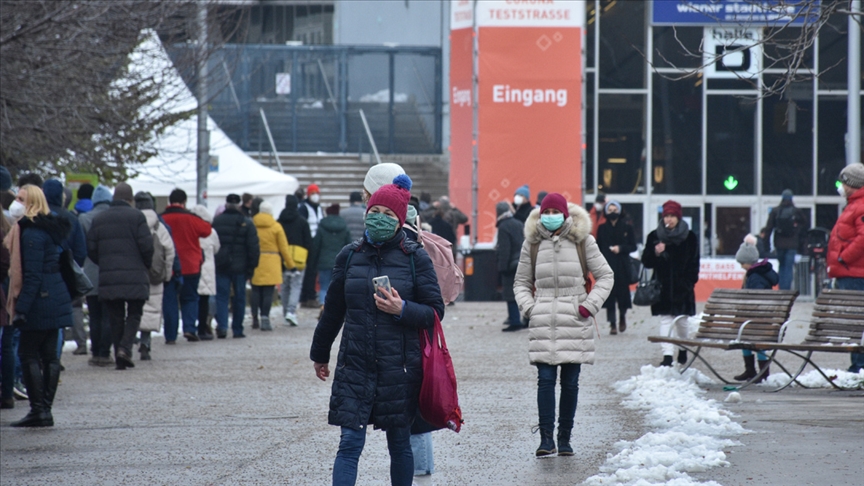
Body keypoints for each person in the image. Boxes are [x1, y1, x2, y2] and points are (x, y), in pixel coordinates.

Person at [310, 174, 444, 486]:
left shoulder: (415, 258)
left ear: (400, 221)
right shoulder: (350, 255)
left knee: (399, 444)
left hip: (399, 368)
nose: (379, 219)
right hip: (354, 365)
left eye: (388, 215)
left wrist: (403, 310)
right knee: (349, 445)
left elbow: (435, 311)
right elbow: (332, 311)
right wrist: (320, 353)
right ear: (366, 213)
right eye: (374, 212)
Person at [513, 193, 613, 457]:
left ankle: (565, 438)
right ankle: (546, 440)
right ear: (539, 215)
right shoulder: (532, 243)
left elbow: (606, 276)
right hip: (543, 318)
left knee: (570, 383)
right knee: (545, 380)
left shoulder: (583, 241)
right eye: (545, 213)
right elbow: (521, 283)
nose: (550, 217)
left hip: (574, 319)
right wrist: (530, 308)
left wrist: (589, 306)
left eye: (554, 213)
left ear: (565, 214)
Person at [5, 184, 73, 426]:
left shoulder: (31, 233)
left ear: (32, 202)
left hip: (41, 300)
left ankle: (39, 409)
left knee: (27, 353)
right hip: (55, 296)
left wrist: (22, 307)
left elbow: (32, 275)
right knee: (49, 356)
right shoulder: (50, 229)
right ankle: (44, 409)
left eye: (22, 199)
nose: (17, 202)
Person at [87, 183, 153, 370]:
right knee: (134, 313)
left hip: (109, 275)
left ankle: (119, 353)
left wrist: (105, 263)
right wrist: (144, 265)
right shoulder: (137, 216)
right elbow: (147, 246)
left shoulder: (100, 218)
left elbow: (91, 248)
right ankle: (125, 349)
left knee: (115, 316)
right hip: (135, 274)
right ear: (130, 199)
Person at [641, 200, 700, 367]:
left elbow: (694, 263)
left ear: (678, 217)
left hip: (683, 287)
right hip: (663, 287)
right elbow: (646, 262)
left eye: (673, 215)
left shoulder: (689, 237)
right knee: (665, 319)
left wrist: (689, 283)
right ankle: (667, 355)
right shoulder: (655, 236)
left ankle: (682, 348)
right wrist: (655, 252)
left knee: (682, 321)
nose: (669, 219)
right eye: (667, 215)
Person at [160, 189, 213, 343]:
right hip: (191, 265)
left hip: (169, 266)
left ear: (170, 201)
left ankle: (170, 335)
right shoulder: (191, 218)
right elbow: (206, 230)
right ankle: (189, 328)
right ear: (184, 202)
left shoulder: (162, 218)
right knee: (190, 298)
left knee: (169, 301)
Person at [827, 163, 864, 373]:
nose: (840, 186)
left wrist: (843, 258)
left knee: (857, 320)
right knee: (855, 321)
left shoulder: (860, 205)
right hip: (850, 273)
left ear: (851, 184)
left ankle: (859, 366)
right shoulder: (854, 204)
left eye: (843, 181)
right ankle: (858, 365)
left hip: (855, 273)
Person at [43, 179, 87, 357]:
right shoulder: (71, 219)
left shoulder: (37, 217)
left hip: (42, 273)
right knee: (62, 315)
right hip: (64, 274)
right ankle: (55, 357)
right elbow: (81, 251)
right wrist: (72, 268)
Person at [133, 192, 175, 361]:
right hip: (154, 273)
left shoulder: (132, 221)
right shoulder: (159, 225)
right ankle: (145, 342)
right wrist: (167, 273)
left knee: (132, 308)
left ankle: (127, 342)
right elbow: (169, 251)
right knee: (150, 308)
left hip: (133, 272)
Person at [212, 194, 259, 338]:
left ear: (225, 205)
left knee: (222, 297)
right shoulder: (246, 222)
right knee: (239, 298)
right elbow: (253, 247)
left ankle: (222, 326)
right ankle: (237, 329)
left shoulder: (217, 222)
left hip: (221, 265)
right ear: (239, 205)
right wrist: (251, 267)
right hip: (240, 266)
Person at [733, 235, 778, 382]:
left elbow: (757, 299)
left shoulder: (756, 277)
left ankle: (762, 373)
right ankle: (751, 370)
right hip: (755, 318)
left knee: (756, 342)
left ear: (749, 262)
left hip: (759, 319)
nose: (741, 266)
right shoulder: (755, 273)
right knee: (744, 337)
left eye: (742, 263)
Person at [78, 185, 113, 366]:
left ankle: (95, 351)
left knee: (94, 315)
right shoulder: (113, 218)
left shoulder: (84, 218)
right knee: (108, 314)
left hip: (91, 272)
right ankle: (105, 352)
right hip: (110, 272)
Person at [251, 201, 294, 331]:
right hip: (271, 261)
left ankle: (254, 318)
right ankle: (265, 318)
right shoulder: (276, 226)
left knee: (255, 291)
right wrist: (291, 265)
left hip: (255, 260)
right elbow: (284, 248)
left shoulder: (252, 224)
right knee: (268, 292)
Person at [596, 200, 637, 335]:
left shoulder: (626, 227)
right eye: (610, 210)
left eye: (615, 210)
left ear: (619, 211)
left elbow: (633, 246)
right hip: (607, 266)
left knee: (623, 295)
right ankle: (612, 323)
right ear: (606, 212)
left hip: (622, 266)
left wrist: (620, 248)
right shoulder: (602, 228)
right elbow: (598, 247)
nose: (612, 212)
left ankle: (622, 317)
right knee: (610, 295)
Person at [309, 204, 352, 310]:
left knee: (323, 286)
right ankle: (334, 307)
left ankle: (323, 307)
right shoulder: (344, 227)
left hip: (323, 262)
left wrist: (313, 262)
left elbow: (316, 246)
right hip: (339, 263)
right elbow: (349, 245)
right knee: (337, 287)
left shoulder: (321, 227)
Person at [277, 194, 311, 327]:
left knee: (285, 286)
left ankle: (286, 312)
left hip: (282, 258)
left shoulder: (279, 221)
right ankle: (291, 311)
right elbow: (308, 241)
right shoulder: (302, 221)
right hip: (298, 258)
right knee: (296, 285)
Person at [764, 189, 806, 290]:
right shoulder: (796, 212)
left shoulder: (775, 211)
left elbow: (768, 228)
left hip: (779, 244)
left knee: (782, 267)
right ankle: (786, 290)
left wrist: (766, 246)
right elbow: (804, 225)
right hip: (792, 244)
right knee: (789, 268)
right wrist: (797, 232)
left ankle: (781, 289)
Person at [190, 205, 220, 341]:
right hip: (208, 267)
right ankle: (203, 328)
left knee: (192, 299)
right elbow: (217, 248)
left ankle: (190, 327)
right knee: (204, 301)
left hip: (193, 265)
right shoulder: (211, 232)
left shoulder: (190, 229)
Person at [497, 201, 526, 332]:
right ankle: (527, 318)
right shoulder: (519, 223)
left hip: (510, 265)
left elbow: (504, 250)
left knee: (510, 294)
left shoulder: (503, 227)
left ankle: (514, 320)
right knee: (523, 293)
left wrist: (502, 267)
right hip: (522, 262)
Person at [299, 184, 325, 307]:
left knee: (313, 271)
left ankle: (309, 295)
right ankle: (307, 296)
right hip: (308, 243)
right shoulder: (304, 207)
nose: (315, 196)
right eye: (312, 193)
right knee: (309, 272)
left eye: (316, 193)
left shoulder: (318, 207)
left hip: (317, 243)